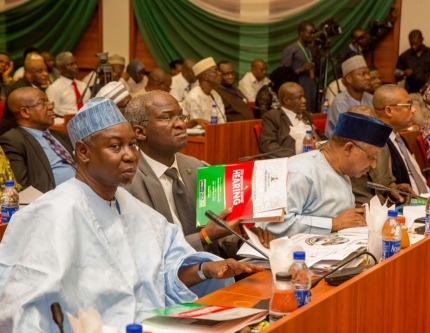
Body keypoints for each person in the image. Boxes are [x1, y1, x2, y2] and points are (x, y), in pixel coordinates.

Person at [0, 97, 263, 331]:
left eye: (133, 145)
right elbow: (25, 311)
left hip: (153, 322)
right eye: (115, 147)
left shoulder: (128, 204)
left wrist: (207, 270)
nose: (130, 156)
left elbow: (162, 275)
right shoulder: (51, 214)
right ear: (83, 152)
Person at [123, 91, 273, 257]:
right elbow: (146, 254)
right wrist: (204, 237)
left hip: (215, 273)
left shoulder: (196, 166)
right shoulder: (127, 183)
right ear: (140, 132)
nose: (180, 124)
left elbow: (218, 240)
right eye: (167, 118)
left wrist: (246, 242)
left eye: (181, 116)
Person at [261, 112, 392, 237]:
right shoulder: (299, 171)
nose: (374, 165)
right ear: (349, 148)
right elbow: (274, 225)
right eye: (371, 157)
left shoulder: (342, 170)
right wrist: (333, 224)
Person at [358, 86, 428, 200]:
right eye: (408, 105)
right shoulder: (378, 145)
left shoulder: (398, 138)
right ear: (389, 111)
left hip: (424, 200)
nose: (414, 109)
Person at [0, 87, 75, 193]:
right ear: (25, 112)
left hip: (86, 193)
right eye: (43, 103)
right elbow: (23, 188)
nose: (51, 106)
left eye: (49, 102)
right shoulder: (13, 140)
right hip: (54, 201)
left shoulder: (60, 135)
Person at [259, 82, 327, 158]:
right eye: (299, 98)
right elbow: (268, 146)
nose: (304, 100)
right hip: (288, 163)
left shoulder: (306, 115)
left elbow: (323, 139)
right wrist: (296, 157)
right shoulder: (273, 117)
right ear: (286, 100)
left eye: (304, 96)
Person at [0, 53, 49, 135]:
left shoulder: (37, 87)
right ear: (28, 74)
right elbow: (29, 118)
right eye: (39, 71)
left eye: (46, 70)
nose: (45, 74)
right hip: (13, 133)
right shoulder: (21, 90)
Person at [326, 55, 373, 137]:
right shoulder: (340, 101)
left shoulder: (371, 98)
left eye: (368, 74)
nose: (368, 77)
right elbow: (349, 132)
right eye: (362, 74)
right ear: (349, 79)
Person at [282, 20, 318, 112]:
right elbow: (284, 74)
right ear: (301, 33)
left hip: (312, 87)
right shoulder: (291, 50)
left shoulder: (311, 50)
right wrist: (302, 69)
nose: (312, 36)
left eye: (314, 33)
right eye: (310, 33)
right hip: (298, 89)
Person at [395, 29, 430, 93]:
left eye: (416, 44)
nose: (414, 46)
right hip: (410, 91)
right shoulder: (404, 56)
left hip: (428, 90)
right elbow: (396, 75)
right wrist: (403, 73)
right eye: (411, 44)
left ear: (422, 40)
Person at [183, 57, 226, 126]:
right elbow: (198, 126)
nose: (220, 73)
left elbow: (222, 122)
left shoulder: (215, 95)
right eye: (216, 71)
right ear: (205, 76)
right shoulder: (194, 97)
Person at [46, 52, 91, 117]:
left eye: (75, 63)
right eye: (71, 64)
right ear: (60, 69)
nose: (75, 67)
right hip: (66, 123)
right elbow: (52, 114)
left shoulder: (84, 85)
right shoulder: (54, 88)